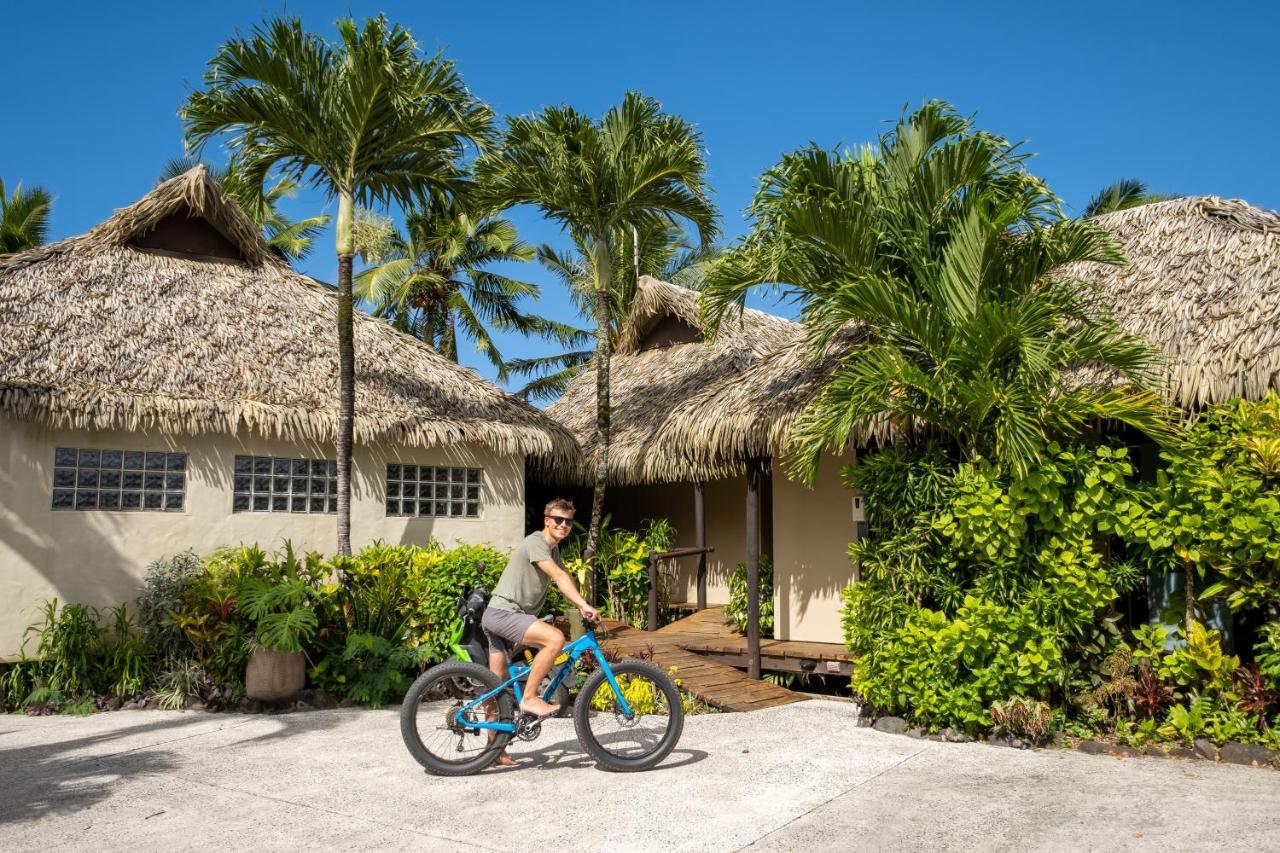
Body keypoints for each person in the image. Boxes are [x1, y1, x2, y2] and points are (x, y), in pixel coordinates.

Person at [481, 497, 599, 766]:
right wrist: (583, 605)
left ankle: (494, 750)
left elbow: (563, 576)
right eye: (558, 519)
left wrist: (581, 603)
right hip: (505, 614)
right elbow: (557, 577)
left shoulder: (552, 550)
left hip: (500, 616)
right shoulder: (537, 541)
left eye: (568, 521)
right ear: (547, 521)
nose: (564, 525)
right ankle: (531, 698)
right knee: (555, 639)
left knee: (495, 688)